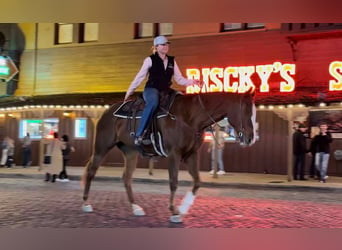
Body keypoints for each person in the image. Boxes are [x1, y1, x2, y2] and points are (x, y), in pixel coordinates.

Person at [124, 35, 202, 145]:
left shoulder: (172, 61)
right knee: (153, 103)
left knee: (181, 100)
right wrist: (129, 92)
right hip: (151, 89)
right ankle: (139, 134)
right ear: (156, 47)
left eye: (167, 44)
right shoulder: (149, 60)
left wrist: (194, 82)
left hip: (166, 90)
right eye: (163, 44)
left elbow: (179, 79)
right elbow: (139, 77)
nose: (166, 46)